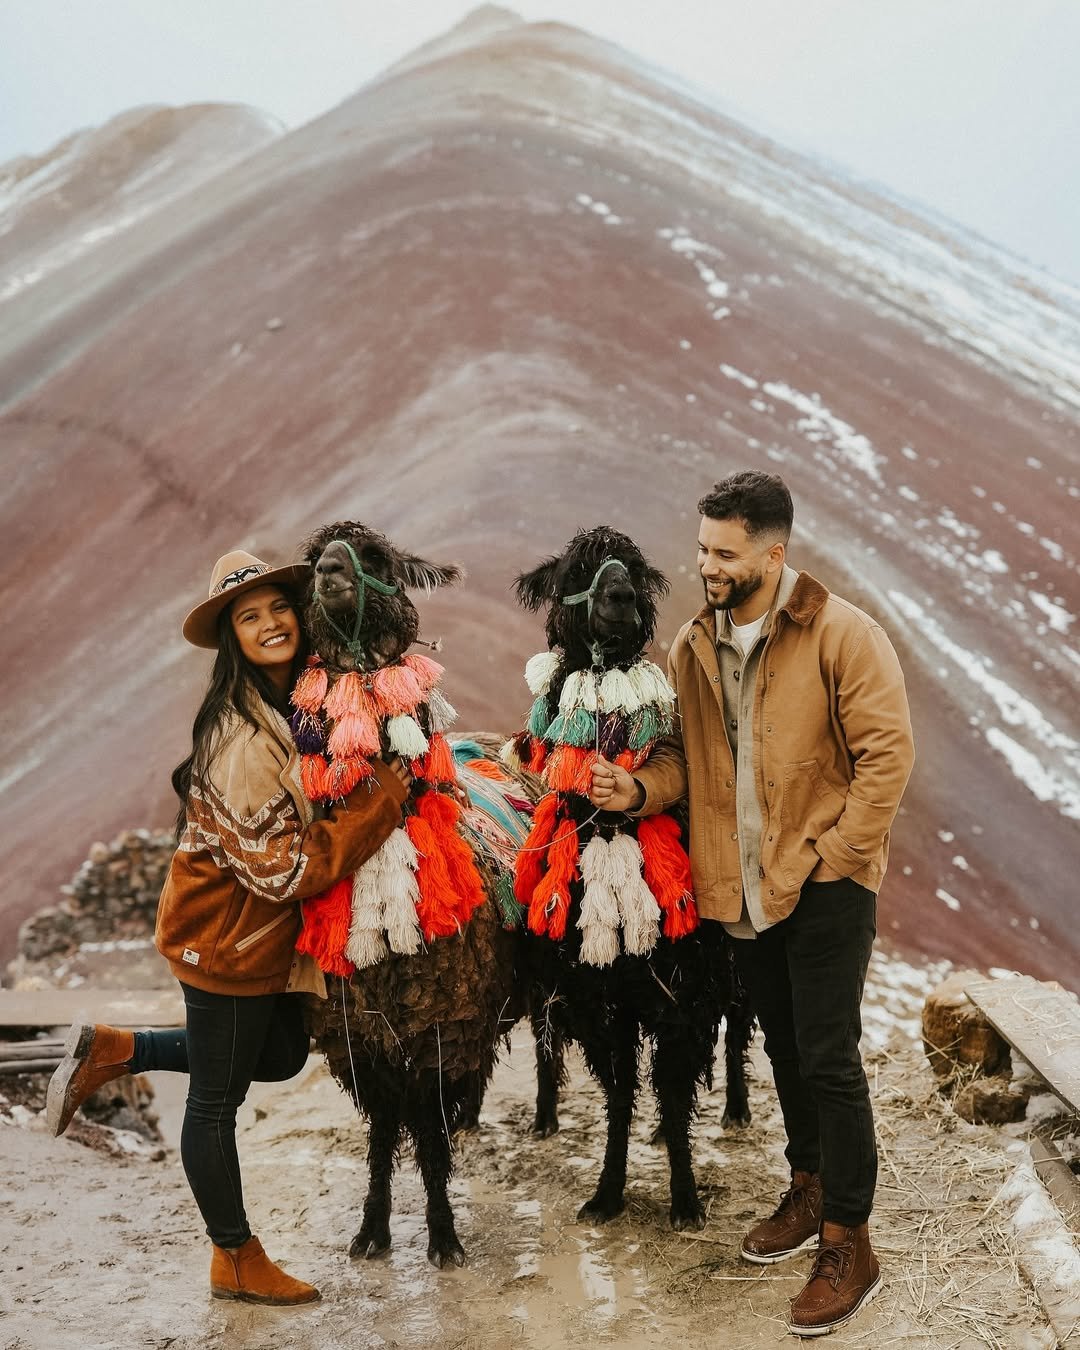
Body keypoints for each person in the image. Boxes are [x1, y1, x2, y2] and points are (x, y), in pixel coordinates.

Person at [589, 472, 914, 1337]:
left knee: (831, 1057)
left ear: (774, 554)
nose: (707, 566)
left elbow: (887, 757)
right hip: (741, 892)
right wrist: (637, 791)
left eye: (725, 554)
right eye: (702, 549)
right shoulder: (694, 645)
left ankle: (850, 1241)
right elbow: (684, 760)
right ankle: (809, 1186)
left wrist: (837, 859)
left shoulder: (843, 634)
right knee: (785, 1046)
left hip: (827, 883)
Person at [46, 549, 411, 1306]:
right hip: (225, 936)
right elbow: (285, 871)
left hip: (256, 932)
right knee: (215, 1103)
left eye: (279, 607)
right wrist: (378, 803)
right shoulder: (241, 741)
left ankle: (120, 1049)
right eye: (250, 617)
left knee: (278, 1055)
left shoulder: (293, 704)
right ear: (232, 639)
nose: (271, 623)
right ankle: (235, 1256)